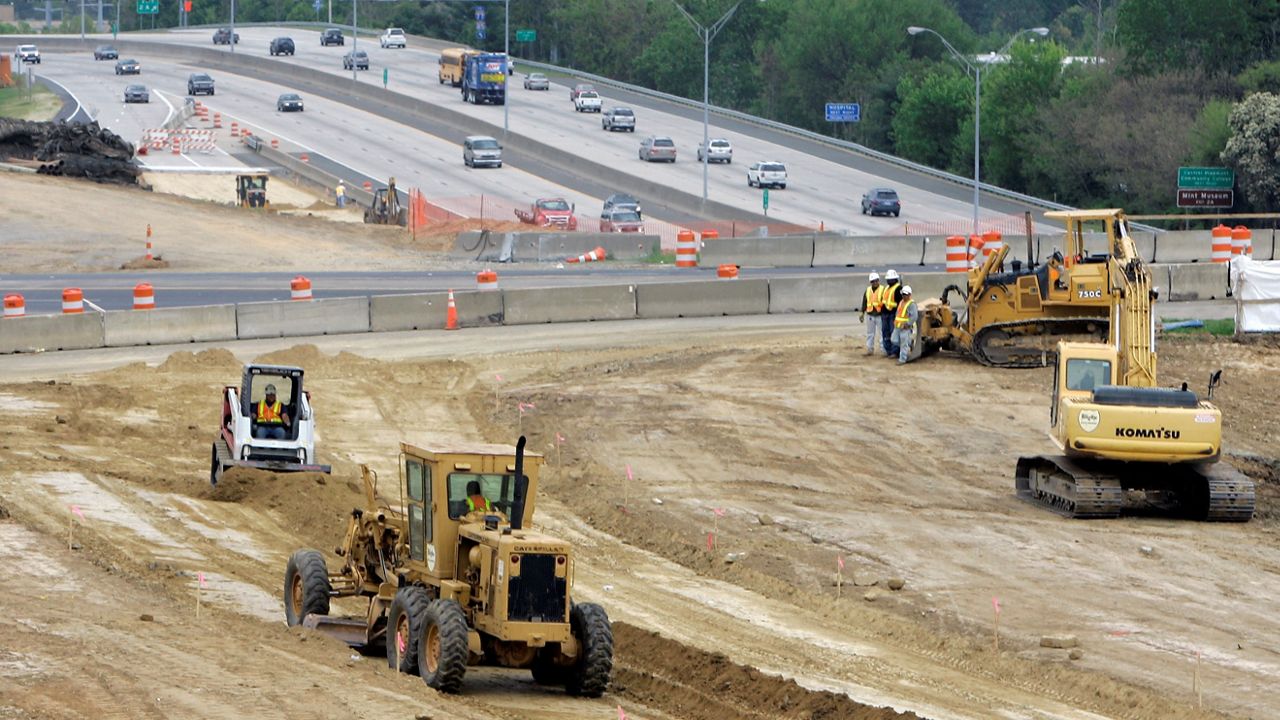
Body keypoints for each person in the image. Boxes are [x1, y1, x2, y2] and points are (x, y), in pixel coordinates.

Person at [891, 286, 919, 365]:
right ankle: (909, 343)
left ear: (909, 295)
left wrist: (908, 324)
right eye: (903, 294)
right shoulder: (901, 302)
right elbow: (898, 313)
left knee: (903, 344)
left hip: (905, 328)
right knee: (894, 340)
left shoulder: (911, 304)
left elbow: (914, 316)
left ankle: (902, 359)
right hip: (898, 326)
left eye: (905, 294)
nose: (904, 296)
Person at [859, 272, 883, 356]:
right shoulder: (868, 290)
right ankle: (870, 349)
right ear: (871, 282)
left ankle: (883, 349)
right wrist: (862, 312)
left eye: (876, 281)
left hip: (880, 315)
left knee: (882, 334)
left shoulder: (882, 290)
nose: (875, 283)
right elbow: (864, 302)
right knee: (870, 333)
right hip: (870, 315)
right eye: (873, 281)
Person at [880, 269, 902, 357]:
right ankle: (888, 350)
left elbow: (900, 303)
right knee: (885, 332)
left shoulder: (898, 288)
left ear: (895, 279)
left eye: (891, 279)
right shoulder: (887, 288)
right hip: (885, 314)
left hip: (893, 314)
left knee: (894, 332)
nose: (889, 281)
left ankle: (895, 351)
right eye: (888, 279)